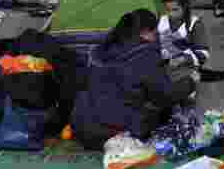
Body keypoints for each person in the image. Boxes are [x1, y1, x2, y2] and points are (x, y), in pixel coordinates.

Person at [71, 9, 196, 150]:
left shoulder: (102, 49)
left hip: (81, 128)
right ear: (145, 32)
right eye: (155, 33)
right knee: (165, 108)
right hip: (111, 132)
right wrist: (190, 82)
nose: (157, 37)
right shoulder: (145, 54)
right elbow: (164, 96)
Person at [157, 0, 210, 89]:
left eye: (175, 10)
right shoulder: (161, 21)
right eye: (167, 10)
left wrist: (183, 59)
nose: (171, 14)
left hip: (186, 70)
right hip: (164, 69)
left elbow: (204, 53)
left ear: (185, 7)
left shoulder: (195, 24)